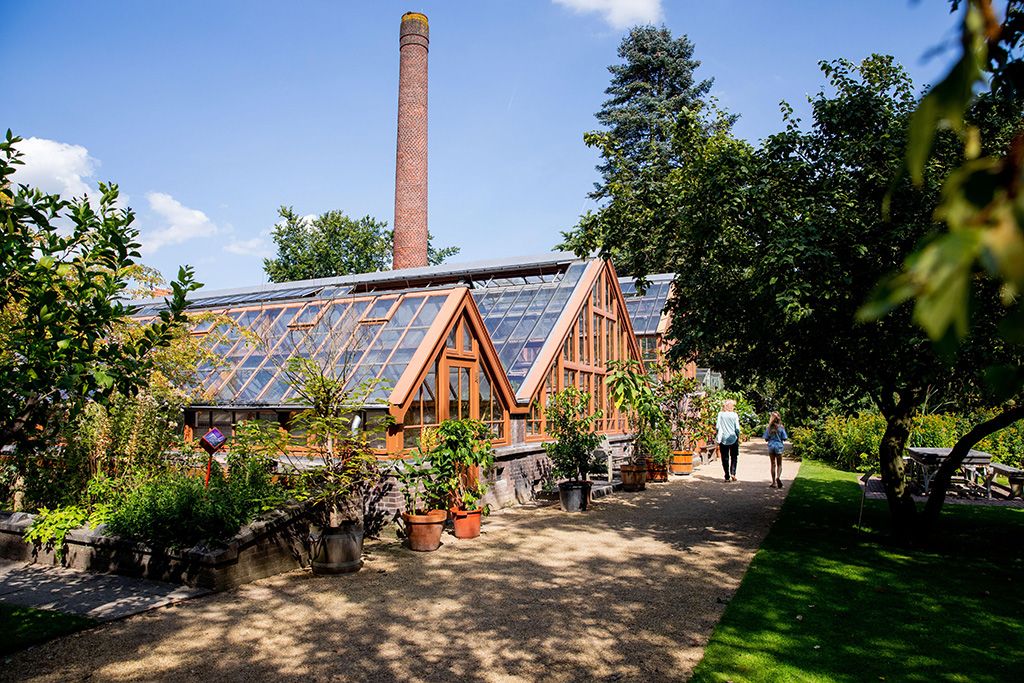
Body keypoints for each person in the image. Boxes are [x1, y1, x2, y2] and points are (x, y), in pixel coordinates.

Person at [716, 399, 741, 481]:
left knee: (725, 457)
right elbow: (737, 428)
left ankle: (727, 475)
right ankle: (733, 473)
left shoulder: (720, 414)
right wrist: (738, 435)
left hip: (723, 438)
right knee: (734, 456)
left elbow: (717, 427)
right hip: (733, 437)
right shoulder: (735, 415)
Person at [763, 412, 788, 489]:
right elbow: (784, 438)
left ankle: (773, 482)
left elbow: (766, 438)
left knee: (773, 464)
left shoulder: (769, 428)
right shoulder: (781, 427)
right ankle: (778, 477)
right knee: (779, 464)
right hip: (779, 446)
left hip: (771, 446)